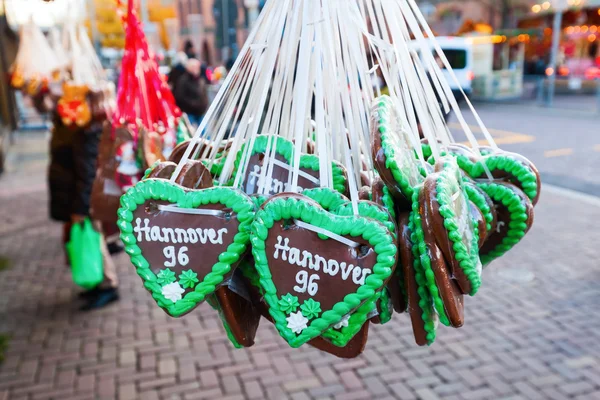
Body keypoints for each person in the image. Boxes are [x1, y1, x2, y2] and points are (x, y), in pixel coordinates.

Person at [48, 110, 120, 311]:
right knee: (93, 241)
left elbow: (87, 175)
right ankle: (98, 283)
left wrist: (80, 208)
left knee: (95, 241)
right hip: (76, 199)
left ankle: (108, 285)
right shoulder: (71, 129)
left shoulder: (83, 134)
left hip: (83, 202)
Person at [173, 59, 209, 128]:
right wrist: (193, 104)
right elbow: (180, 97)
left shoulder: (201, 80)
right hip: (189, 112)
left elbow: (204, 95)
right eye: (193, 67)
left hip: (200, 112)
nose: (196, 69)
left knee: (204, 134)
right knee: (191, 132)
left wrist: (203, 105)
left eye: (197, 67)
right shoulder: (183, 80)